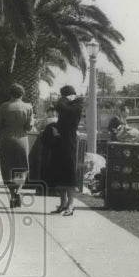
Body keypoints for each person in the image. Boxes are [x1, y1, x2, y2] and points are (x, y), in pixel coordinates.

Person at [45, 85, 84, 215]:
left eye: (64, 96)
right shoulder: (69, 105)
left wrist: (63, 99)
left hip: (69, 141)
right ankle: (63, 203)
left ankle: (71, 204)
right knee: (59, 172)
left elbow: (61, 107)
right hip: (60, 141)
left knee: (69, 172)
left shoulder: (76, 105)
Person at [0, 84, 34, 209]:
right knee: (22, 167)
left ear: (10, 93)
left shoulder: (4, 106)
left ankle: (12, 195)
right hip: (21, 139)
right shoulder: (28, 107)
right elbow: (29, 126)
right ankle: (19, 190)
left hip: (6, 139)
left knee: (8, 167)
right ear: (22, 94)